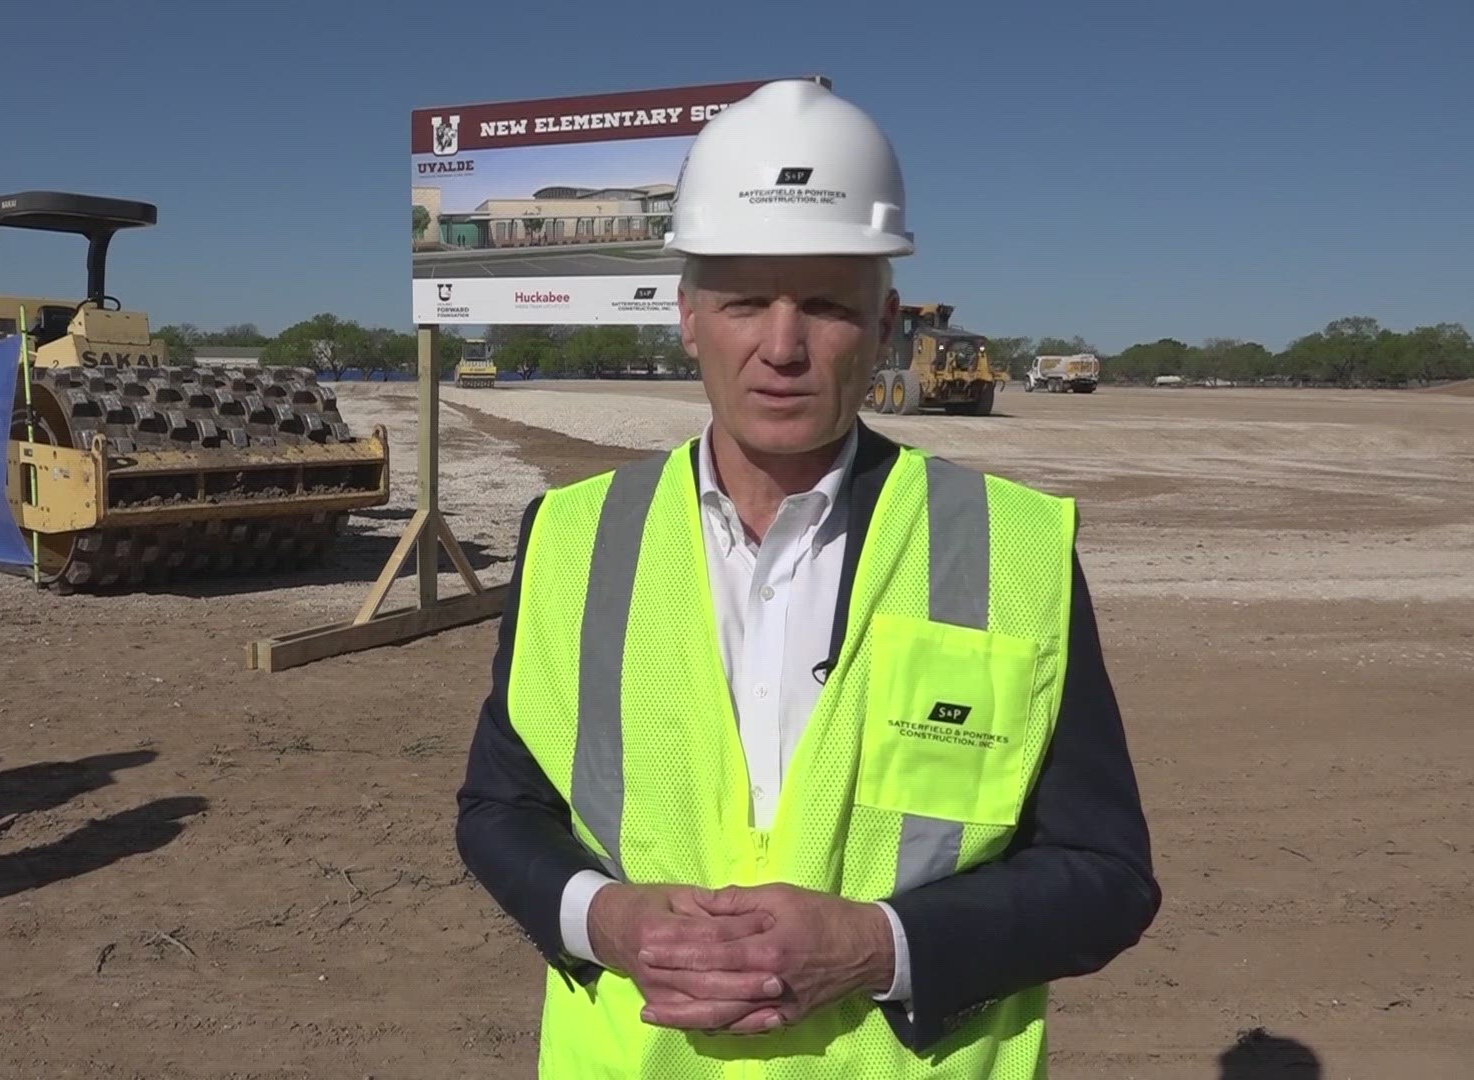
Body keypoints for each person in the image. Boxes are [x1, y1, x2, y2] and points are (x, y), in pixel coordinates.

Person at [454, 79, 1160, 1077]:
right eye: (745, 300)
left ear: (883, 326)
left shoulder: (1010, 546)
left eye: (825, 305)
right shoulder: (574, 537)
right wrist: (606, 918)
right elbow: (501, 809)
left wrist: (875, 946)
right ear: (689, 315)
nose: (781, 348)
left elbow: (1104, 877)